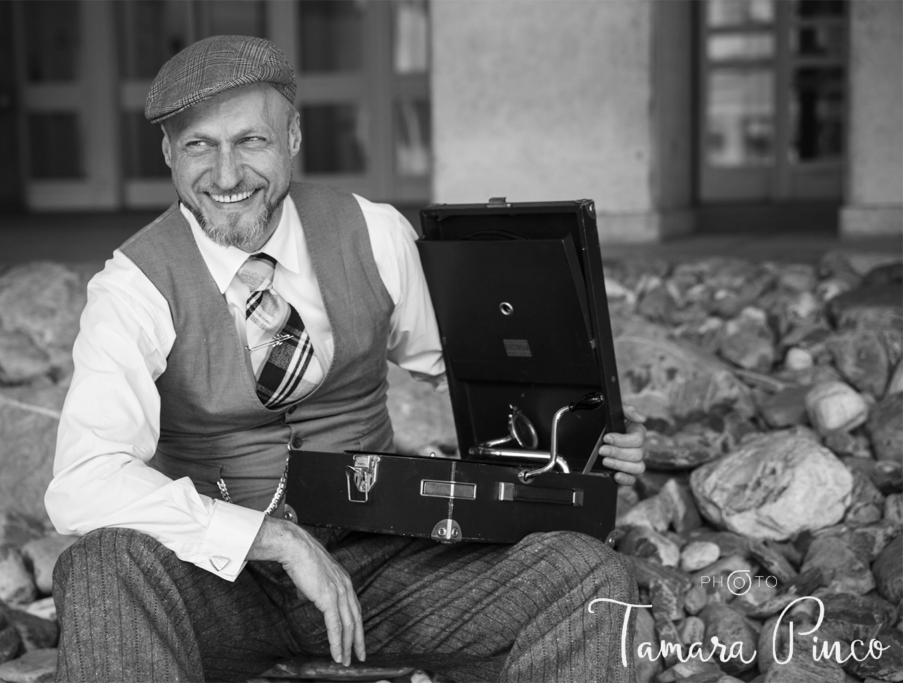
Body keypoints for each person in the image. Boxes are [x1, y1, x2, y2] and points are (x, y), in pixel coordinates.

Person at [46, 35, 647, 683]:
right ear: (168, 152)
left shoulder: (373, 231)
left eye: (251, 141)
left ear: (293, 137)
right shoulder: (134, 286)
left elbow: (472, 366)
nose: (225, 175)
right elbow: (82, 480)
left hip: (381, 568)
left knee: (588, 577)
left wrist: (590, 439)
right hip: (219, 585)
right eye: (199, 145)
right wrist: (269, 538)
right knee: (101, 566)